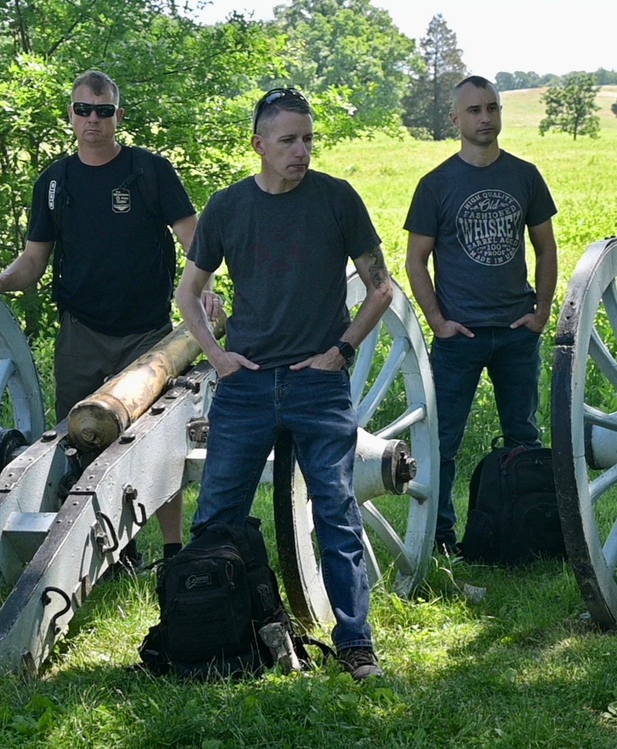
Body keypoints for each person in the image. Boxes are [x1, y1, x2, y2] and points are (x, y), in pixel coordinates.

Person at [175, 88, 393, 680]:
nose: (302, 151)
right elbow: (188, 293)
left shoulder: (336, 200)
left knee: (338, 513)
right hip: (245, 386)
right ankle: (216, 638)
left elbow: (381, 288)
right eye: (289, 140)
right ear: (259, 144)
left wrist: (341, 351)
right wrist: (216, 356)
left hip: (317, 385)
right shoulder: (227, 207)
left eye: (308, 140)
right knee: (216, 516)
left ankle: (355, 643)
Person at [0, 70, 218, 567]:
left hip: (148, 336)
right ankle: (104, 552)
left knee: (159, 445)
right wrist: (0, 281)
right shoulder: (55, 182)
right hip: (81, 332)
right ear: (71, 116)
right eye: (83, 110)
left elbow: (196, 242)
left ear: (118, 117)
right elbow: (33, 262)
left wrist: (204, 292)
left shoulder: (149, 172)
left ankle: (172, 550)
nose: (93, 121)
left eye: (103, 112)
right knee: (80, 442)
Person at [404, 75, 558, 556]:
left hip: (516, 331)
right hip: (459, 336)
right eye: (474, 110)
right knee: (442, 442)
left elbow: (545, 248)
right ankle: (443, 538)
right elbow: (415, 260)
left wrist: (541, 312)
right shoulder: (436, 185)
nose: (485, 117)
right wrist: (437, 321)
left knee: (524, 438)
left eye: (492, 107)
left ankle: (529, 533)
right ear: (455, 119)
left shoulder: (524, 175)